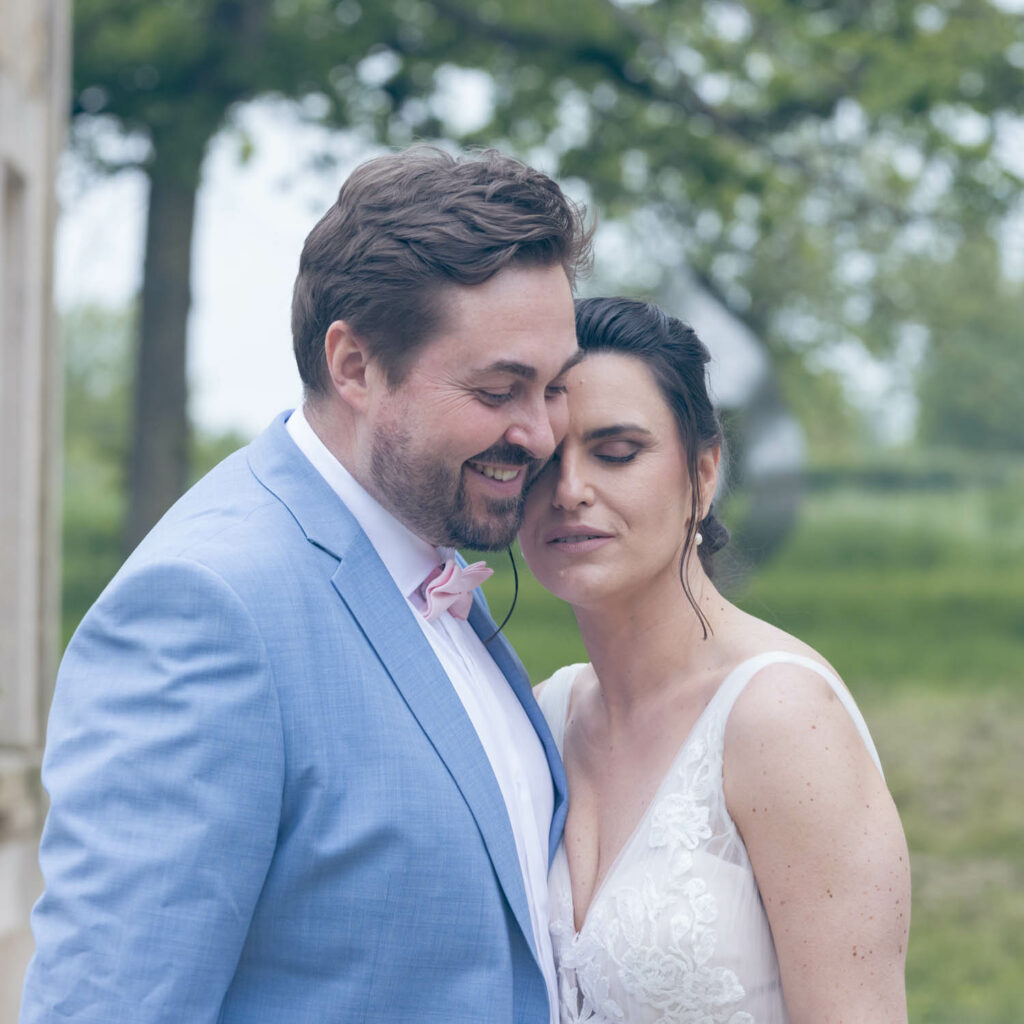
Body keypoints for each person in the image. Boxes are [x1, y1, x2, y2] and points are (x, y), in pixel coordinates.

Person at [20, 146, 592, 1024]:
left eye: (553, 388)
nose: (541, 433)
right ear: (354, 366)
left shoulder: (426, 558)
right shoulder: (208, 607)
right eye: (498, 389)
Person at [519, 297, 911, 1024]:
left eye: (616, 452)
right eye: (540, 460)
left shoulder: (782, 718)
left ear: (702, 473)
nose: (570, 490)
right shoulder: (543, 713)